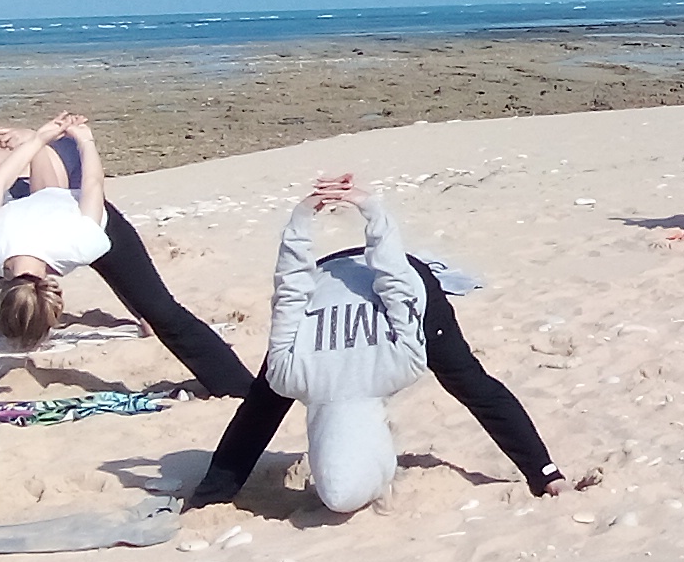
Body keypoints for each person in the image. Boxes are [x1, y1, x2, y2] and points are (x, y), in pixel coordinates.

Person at [177, 173, 589, 508]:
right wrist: (364, 211)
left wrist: (312, 217)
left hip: (378, 282)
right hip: (358, 277)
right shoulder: (349, 366)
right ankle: (545, 475)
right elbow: (297, 287)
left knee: (465, 378)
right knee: (467, 380)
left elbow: (293, 293)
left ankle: (544, 473)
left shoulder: (296, 372)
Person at [0, 113, 258, 423]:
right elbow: (86, 180)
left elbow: (8, 183)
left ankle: (240, 387)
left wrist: (42, 140)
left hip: (87, 219)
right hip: (55, 217)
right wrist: (79, 140)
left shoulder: (33, 244)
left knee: (160, 312)